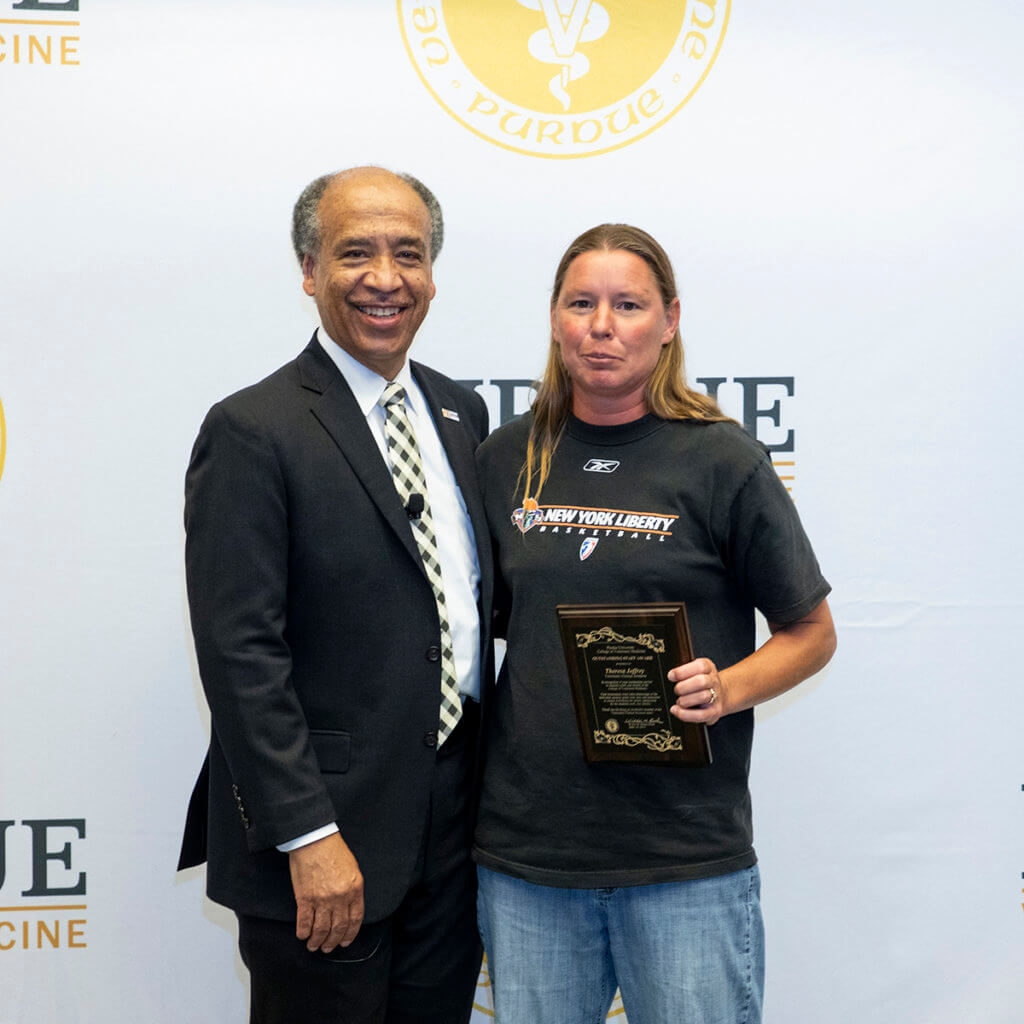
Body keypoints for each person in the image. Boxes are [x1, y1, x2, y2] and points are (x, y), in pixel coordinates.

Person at [473, 223, 836, 1024]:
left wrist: (728, 686)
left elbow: (812, 633)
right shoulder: (504, 458)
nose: (602, 326)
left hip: (684, 858)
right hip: (529, 855)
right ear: (557, 318)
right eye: (582, 303)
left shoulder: (722, 459)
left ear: (668, 320)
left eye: (628, 304)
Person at [177, 166, 493, 1024]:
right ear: (309, 269)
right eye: (356, 253)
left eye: (409, 254)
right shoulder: (253, 429)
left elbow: (459, 614)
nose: (385, 279)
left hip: (456, 834)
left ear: (433, 273)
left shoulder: (463, 414)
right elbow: (242, 655)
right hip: (324, 842)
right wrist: (308, 838)